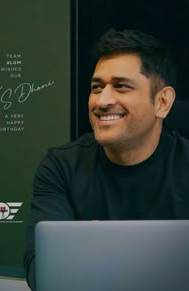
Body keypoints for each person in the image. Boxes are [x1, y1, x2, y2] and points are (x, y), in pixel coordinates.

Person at [24, 28, 189, 290]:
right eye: (96, 87)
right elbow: (41, 271)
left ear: (162, 102)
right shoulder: (60, 166)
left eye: (121, 86)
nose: (102, 100)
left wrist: (89, 254)